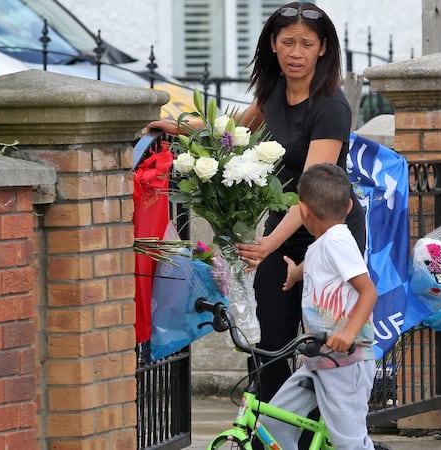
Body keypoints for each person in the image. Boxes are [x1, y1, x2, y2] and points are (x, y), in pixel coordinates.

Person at [145, 2, 366, 404]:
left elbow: (311, 193)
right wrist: (182, 128)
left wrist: (267, 245)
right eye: (287, 42)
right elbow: (234, 134)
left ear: (322, 49)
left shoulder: (332, 107)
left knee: (326, 346)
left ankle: (325, 434)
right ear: (273, 44)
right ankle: (273, 433)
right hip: (283, 231)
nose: (295, 52)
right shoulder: (274, 91)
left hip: (330, 233)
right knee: (266, 343)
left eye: (306, 43)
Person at [262, 163, 377, 449]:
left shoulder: (338, 240)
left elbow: (368, 291)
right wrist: (296, 272)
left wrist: (349, 332)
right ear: (349, 206)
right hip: (318, 359)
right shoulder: (323, 243)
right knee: (274, 423)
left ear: (302, 211)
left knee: (349, 441)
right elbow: (321, 263)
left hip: (346, 362)